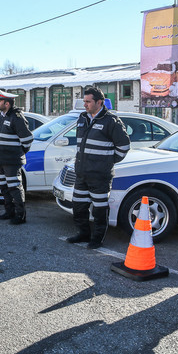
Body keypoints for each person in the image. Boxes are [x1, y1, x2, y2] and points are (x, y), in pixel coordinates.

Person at [68, 86, 131, 249]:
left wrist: (106, 162)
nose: (85, 105)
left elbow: (123, 147)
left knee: (99, 209)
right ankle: (83, 234)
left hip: (100, 176)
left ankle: (97, 239)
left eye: (88, 102)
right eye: (84, 102)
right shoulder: (82, 118)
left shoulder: (111, 121)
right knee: (78, 206)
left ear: (99, 102)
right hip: (82, 173)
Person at [0, 90, 34, 225]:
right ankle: (9, 212)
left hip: (12, 161)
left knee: (14, 187)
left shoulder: (16, 117)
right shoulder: (3, 116)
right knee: (4, 187)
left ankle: (20, 215)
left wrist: (19, 153)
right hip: (2, 159)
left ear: (7, 103)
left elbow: (27, 139)